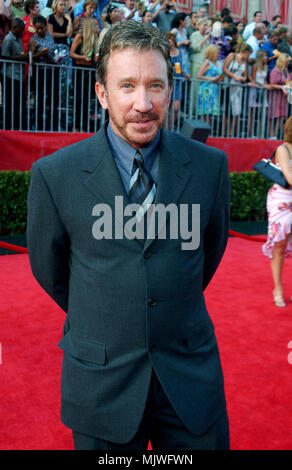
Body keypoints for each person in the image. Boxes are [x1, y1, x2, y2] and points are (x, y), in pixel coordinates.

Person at [27, 20, 230, 451]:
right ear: (102, 93)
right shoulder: (54, 175)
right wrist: (109, 308)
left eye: (155, 86)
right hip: (103, 384)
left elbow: (207, 256)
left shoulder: (210, 167)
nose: (143, 103)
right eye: (127, 86)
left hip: (190, 379)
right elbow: (50, 269)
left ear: (171, 91)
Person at [262, 117, 292, 307]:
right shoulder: (283, 149)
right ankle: (278, 289)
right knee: (279, 245)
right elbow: (289, 177)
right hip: (282, 201)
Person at [28, 14, 59, 130]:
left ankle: (53, 125)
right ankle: (38, 125)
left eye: (42, 28)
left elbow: (54, 51)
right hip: (40, 72)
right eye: (38, 28)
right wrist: (39, 54)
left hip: (51, 70)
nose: (40, 30)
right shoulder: (34, 40)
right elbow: (30, 57)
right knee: (39, 99)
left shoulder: (50, 37)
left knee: (53, 99)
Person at [69, 16, 99, 132]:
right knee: (79, 99)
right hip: (80, 71)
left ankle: (84, 126)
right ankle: (76, 126)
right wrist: (83, 57)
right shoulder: (79, 37)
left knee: (86, 100)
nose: (98, 27)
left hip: (90, 72)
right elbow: (71, 54)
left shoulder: (95, 38)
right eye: (96, 25)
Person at [1, 17, 27, 129]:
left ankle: (17, 126)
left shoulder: (19, 39)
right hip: (9, 75)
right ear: (14, 28)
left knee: (19, 103)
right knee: (10, 103)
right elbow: (5, 56)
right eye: (20, 30)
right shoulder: (8, 39)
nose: (22, 32)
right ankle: (9, 126)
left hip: (18, 75)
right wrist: (22, 58)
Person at [223, 42, 252, 137]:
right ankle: (223, 132)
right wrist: (234, 76)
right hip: (228, 85)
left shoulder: (245, 62)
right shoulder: (232, 56)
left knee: (236, 111)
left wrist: (244, 79)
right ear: (245, 52)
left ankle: (231, 132)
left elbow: (245, 74)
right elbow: (225, 68)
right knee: (228, 111)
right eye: (249, 54)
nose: (249, 56)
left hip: (238, 87)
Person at [189, 17, 211, 111]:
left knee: (202, 88)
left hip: (204, 64)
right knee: (195, 87)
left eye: (206, 25)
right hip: (196, 63)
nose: (205, 27)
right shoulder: (194, 35)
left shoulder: (206, 36)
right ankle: (193, 109)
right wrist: (204, 40)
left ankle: (200, 110)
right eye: (204, 25)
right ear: (199, 26)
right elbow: (194, 48)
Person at [269, 53, 292, 139]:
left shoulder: (285, 70)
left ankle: (274, 133)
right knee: (274, 115)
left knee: (282, 115)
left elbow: (288, 81)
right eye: (287, 61)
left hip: (283, 97)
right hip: (275, 96)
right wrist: (282, 87)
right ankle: (271, 134)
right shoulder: (275, 70)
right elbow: (272, 83)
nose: (288, 63)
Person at [197, 44, 222, 123]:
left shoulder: (216, 63)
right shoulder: (207, 63)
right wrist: (211, 78)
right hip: (206, 89)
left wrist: (218, 79)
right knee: (205, 111)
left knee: (210, 113)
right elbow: (199, 75)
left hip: (213, 90)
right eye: (217, 53)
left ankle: (207, 131)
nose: (219, 54)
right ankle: (204, 131)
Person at [248, 49, 270, 136]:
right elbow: (253, 79)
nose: (266, 57)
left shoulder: (266, 67)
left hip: (262, 91)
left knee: (263, 112)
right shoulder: (255, 66)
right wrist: (262, 84)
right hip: (255, 90)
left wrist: (266, 85)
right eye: (264, 56)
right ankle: (250, 133)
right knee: (252, 112)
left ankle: (260, 132)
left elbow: (265, 80)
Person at [170, 12, 190, 77]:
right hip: (177, 55)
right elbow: (171, 44)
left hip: (185, 55)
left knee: (184, 73)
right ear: (181, 21)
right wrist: (182, 42)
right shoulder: (174, 31)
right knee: (177, 73)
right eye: (185, 20)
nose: (187, 22)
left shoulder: (184, 30)